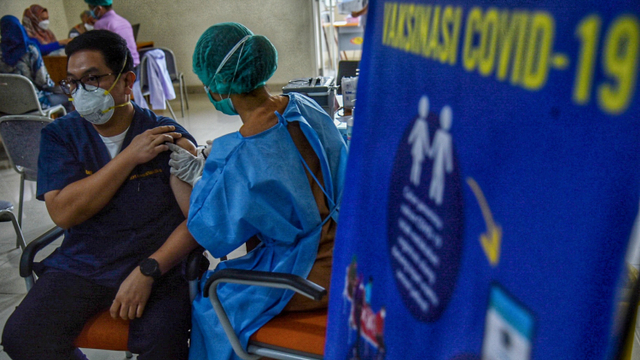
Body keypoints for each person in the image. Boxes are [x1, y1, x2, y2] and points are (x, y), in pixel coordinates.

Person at [1, 30, 199, 360]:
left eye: (93, 79)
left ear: (127, 82)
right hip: (85, 263)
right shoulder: (61, 136)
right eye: (74, 83)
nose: (82, 92)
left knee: (162, 345)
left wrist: (148, 270)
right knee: (23, 337)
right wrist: (129, 157)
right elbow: (64, 213)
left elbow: (198, 221)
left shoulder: (167, 137)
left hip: (158, 266)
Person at [167, 22, 348, 359]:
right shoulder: (306, 107)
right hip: (353, 252)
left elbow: (211, 233)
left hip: (311, 273)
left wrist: (189, 174)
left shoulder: (240, 154)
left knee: (211, 300)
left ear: (218, 87)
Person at [0, 15, 71, 112]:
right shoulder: (29, 50)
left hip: (7, 107)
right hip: (34, 103)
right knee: (68, 99)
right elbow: (43, 82)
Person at [85, 0, 140, 67]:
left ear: (99, 8)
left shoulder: (100, 24)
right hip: (135, 65)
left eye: (91, 8)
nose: (91, 12)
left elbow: (98, 51)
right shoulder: (124, 21)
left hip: (120, 69)